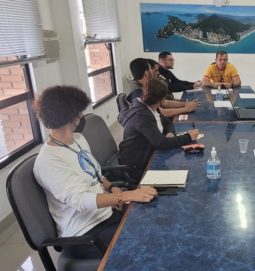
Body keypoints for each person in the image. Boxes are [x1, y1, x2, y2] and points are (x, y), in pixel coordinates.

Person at [33, 86, 158, 259]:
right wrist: (125, 196)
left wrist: (113, 188)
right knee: (151, 246)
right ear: (71, 117)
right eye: (80, 112)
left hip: (107, 215)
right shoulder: (49, 161)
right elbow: (80, 201)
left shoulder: (78, 139)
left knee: (155, 220)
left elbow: (96, 174)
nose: (82, 116)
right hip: (86, 233)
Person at [118, 77, 199, 180]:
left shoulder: (150, 106)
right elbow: (161, 143)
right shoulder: (142, 115)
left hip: (149, 152)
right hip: (138, 165)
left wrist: (170, 133)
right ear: (161, 100)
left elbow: (167, 122)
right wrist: (188, 136)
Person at [125, 58, 200, 118]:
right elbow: (161, 112)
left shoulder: (145, 86)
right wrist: (185, 108)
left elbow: (163, 102)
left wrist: (185, 104)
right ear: (146, 73)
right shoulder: (139, 93)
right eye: (151, 68)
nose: (158, 73)